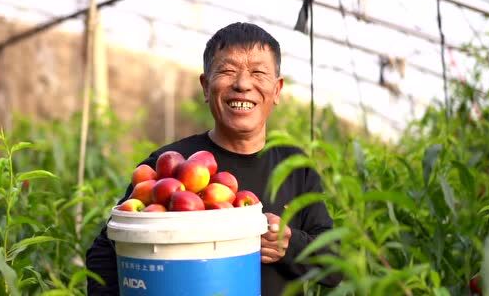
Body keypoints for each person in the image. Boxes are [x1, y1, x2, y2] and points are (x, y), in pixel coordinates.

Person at [85, 22, 341, 295]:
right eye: (228, 71)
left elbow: (334, 267)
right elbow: (106, 251)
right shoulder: (170, 166)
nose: (243, 84)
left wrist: (291, 246)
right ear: (206, 87)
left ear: (277, 90)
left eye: (258, 72)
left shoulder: (295, 168)